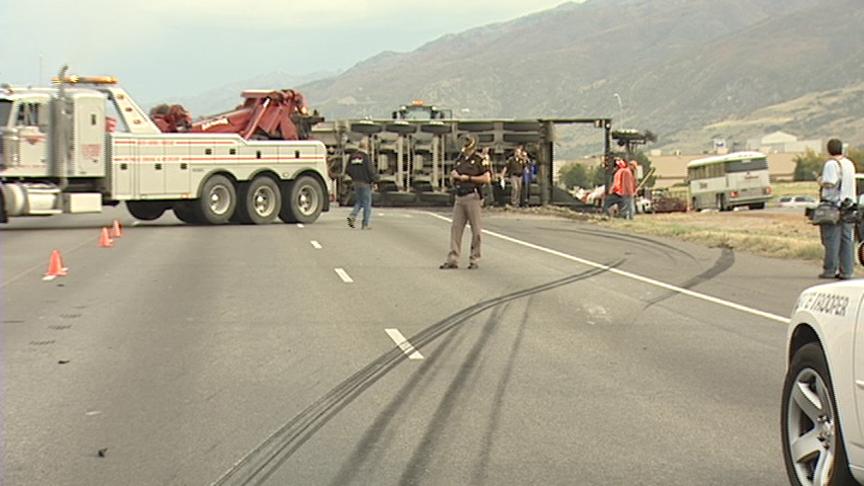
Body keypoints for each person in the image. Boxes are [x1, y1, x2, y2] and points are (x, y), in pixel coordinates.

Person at [440, 137, 491, 270]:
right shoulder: (459, 159)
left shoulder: (480, 160)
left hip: (472, 195)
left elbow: (487, 178)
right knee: (456, 229)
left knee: (476, 230)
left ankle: (474, 259)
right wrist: (454, 177)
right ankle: (453, 258)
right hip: (459, 196)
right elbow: (454, 175)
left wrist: (468, 178)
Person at [818, 138, 857, 279]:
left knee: (831, 239)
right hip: (849, 206)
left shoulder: (831, 164)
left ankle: (830, 269)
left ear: (829, 150)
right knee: (847, 240)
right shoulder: (849, 164)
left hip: (834, 206)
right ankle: (847, 270)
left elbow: (830, 182)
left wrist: (820, 181)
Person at [345, 139, 378, 230]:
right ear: (366, 147)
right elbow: (370, 171)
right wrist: (375, 181)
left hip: (356, 182)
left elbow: (347, 169)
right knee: (367, 203)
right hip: (365, 183)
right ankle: (365, 224)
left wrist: (353, 177)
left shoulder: (352, 156)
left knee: (359, 201)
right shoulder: (366, 157)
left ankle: (352, 216)